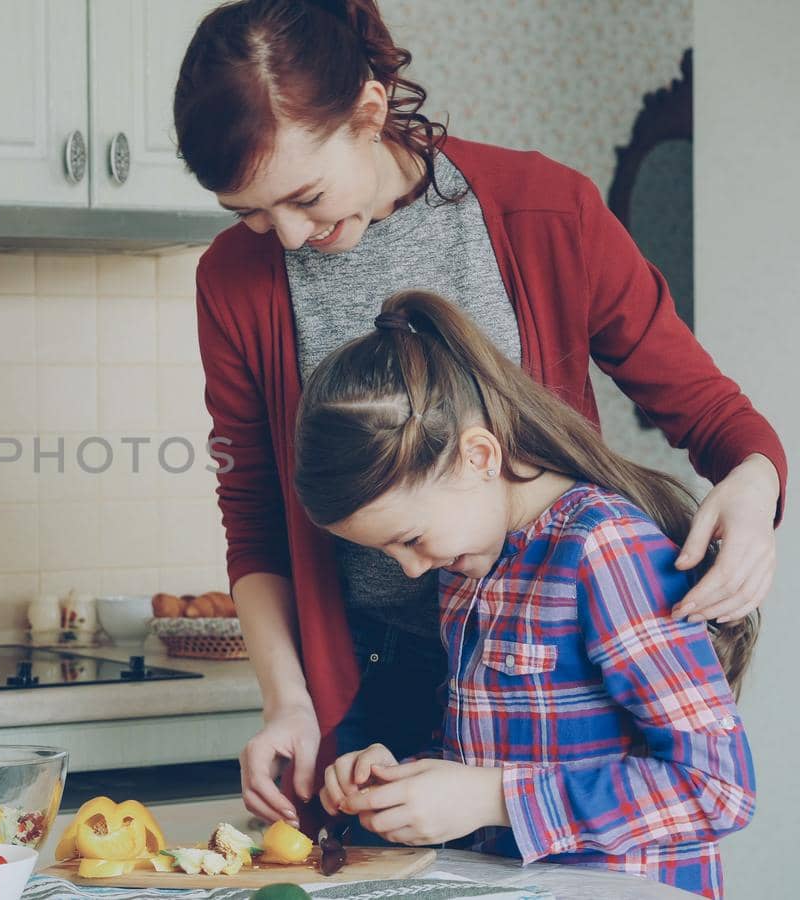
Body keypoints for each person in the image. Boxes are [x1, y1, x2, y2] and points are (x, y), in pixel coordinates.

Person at [172, 0, 786, 833]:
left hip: (556, 675)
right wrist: (291, 704)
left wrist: (754, 488)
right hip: (371, 676)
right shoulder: (233, 282)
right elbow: (255, 522)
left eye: (304, 196)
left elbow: (713, 414)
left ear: (369, 111)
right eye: (248, 212)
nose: (284, 235)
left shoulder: (545, 209)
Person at [297, 291, 756, 899]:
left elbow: (718, 789)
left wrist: (492, 799)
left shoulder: (604, 549)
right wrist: (405, 779)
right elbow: (505, 744)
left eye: (410, 538)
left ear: (479, 456)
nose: (410, 570)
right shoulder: (467, 566)